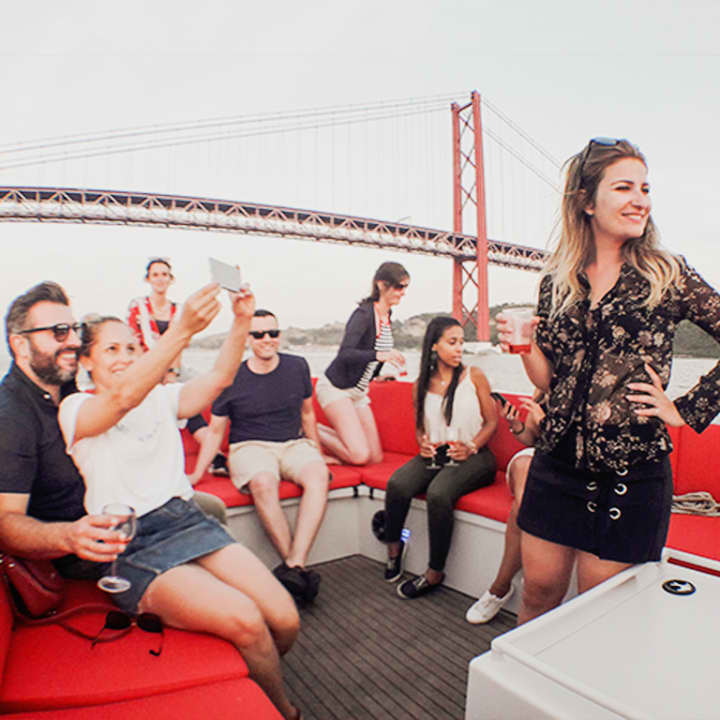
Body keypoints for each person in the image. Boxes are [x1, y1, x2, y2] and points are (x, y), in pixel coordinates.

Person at [497, 138, 720, 626]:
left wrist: (684, 409)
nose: (640, 200)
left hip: (628, 475)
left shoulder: (667, 273)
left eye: (645, 188)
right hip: (554, 466)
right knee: (537, 593)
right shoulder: (557, 280)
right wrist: (525, 348)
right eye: (624, 188)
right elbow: (551, 378)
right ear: (586, 201)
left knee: (597, 615)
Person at [58, 286, 301, 720]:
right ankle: (286, 712)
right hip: (130, 543)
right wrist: (183, 330)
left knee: (285, 619)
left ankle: (247, 677)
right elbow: (121, 398)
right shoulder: (76, 408)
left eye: (132, 348)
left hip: (185, 519)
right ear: (86, 362)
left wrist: (241, 321)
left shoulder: (160, 398)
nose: (125, 356)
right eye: (111, 349)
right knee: (247, 620)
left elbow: (220, 377)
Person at [192, 309, 329, 604]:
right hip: (249, 446)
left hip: (293, 444)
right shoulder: (230, 376)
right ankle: (298, 570)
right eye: (258, 334)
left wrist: (317, 452)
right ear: (247, 339)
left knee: (319, 475)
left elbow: (308, 414)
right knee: (264, 482)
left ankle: (294, 565)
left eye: (273, 333)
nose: (267, 339)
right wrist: (197, 473)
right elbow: (215, 431)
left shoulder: (297, 366)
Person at [0, 282, 125, 580]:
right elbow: (5, 521)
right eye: (58, 332)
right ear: (20, 345)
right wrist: (69, 536)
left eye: (74, 329)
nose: (73, 341)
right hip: (83, 556)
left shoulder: (69, 391)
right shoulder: (11, 416)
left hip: (122, 516)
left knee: (205, 508)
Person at [383, 316, 498, 599]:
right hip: (438, 452)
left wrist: (471, 447)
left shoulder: (474, 376)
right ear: (434, 346)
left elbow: (491, 423)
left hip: (475, 455)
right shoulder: (420, 384)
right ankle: (394, 549)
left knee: (438, 493)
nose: (459, 348)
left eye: (461, 342)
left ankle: (435, 572)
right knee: (397, 484)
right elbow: (420, 428)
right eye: (452, 342)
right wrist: (422, 443)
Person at [316, 261, 409, 465]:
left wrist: (377, 375)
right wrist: (379, 355)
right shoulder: (363, 314)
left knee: (375, 458)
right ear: (381, 285)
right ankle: (308, 428)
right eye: (399, 287)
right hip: (336, 388)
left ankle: (347, 441)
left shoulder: (387, 314)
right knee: (360, 456)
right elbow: (345, 353)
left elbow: (369, 351)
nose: (403, 292)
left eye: (405, 287)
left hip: (358, 391)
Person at [465, 391, 545, 623]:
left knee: (531, 499)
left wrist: (544, 421)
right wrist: (516, 425)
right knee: (525, 475)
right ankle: (502, 586)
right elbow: (531, 440)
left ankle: (534, 578)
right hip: (535, 460)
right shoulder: (546, 390)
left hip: (566, 469)